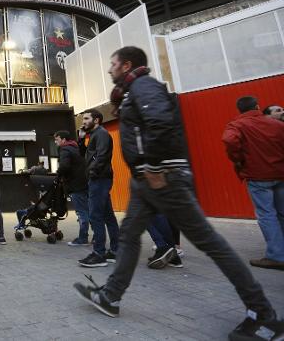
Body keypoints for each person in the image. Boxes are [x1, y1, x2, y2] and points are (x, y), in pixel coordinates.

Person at [73, 46, 283, 340]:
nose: (109, 69)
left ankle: (263, 314)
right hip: (146, 180)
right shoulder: (133, 90)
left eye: (113, 64)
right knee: (129, 236)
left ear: (127, 64)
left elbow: (160, 123)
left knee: (211, 243)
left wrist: (155, 169)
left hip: (162, 178)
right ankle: (111, 296)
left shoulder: (144, 86)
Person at [222, 96, 284, 270]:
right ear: (257, 106)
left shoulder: (237, 125)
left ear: (239, 110)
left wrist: (239, 160)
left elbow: (229, 140)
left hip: (258, 176)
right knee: (281, 213)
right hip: (280, 174)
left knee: (267, 214)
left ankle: (277, 256)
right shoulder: (277, 124)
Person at [76, 109, 120, 267]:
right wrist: (81, 140)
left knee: (95, 216)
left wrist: (93, 172)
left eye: (86, 118)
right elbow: (84, 156)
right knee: (108, 216)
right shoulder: (93, 135)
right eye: (83, 119)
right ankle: (116, 251)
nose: (83, 122)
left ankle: (99, 253)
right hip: (99, 178)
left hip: (99, 179)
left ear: (97, 120)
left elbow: (102, 155)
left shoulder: (101, 134)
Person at [53, 130, 88, 247]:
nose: (55, 142)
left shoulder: (65, 149)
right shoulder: (75, 147)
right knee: (88, 210)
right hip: (84, 182)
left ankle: (83, 238)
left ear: (63, 140)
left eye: (57, 140)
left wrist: (58, 174)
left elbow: (64, 166)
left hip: (75, 184)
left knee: (81, 212)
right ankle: (95, 237)